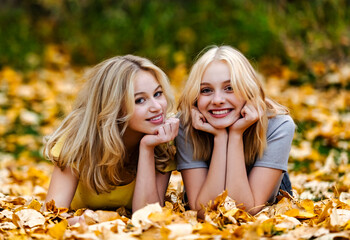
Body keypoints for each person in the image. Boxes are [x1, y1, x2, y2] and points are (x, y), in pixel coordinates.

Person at [44, 55, 179, 215]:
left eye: (157, 94)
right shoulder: (78, 139)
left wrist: (147, 148)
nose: (157, 107)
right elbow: (52, 214)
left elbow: (148, 216)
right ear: (114, 107)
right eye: (140, 100)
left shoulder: (164, 140)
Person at [176, 45, 295, 216]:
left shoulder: (279, 125)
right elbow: (204, 211)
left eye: (229, 88)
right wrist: (220, 138)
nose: (217, 100)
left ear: (248, 90)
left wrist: (236, 135)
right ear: (195, 97)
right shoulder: (186, 125)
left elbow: (245, 210)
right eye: (206, 90)